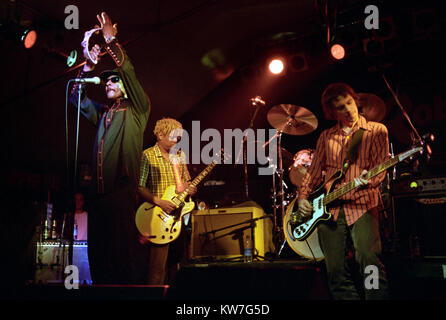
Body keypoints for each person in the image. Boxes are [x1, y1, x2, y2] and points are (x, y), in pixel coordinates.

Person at [69, 12, 150, 284]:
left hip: (121, 189)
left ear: (126, 86)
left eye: (113, 80)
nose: (108, 84)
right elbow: (76, 99)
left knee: (121, 255)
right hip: (99, 194)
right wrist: (87, 69)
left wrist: (111, 41)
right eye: (106, 81)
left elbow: (128, 69)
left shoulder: (138, 108)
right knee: (99, 255)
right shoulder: (104, 113)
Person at [297, 83, 389, 300]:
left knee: (369, 260)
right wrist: (302, 196)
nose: (348, 109)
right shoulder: (326, 137)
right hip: (330, 209)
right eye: (340, 107)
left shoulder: (376, 131)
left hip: (363, 203)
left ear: (355, 99)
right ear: (332, 112)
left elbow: (380, 169)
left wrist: (366, 180)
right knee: (335, 270)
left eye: (349, 102)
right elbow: (314, 173)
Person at [137, 118, 196, 285]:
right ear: (160, 135)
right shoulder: (147, 155)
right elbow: (140, 187)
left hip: (178, 217)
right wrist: (159, 201)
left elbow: (186, 183)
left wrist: (189, 188)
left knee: (179, 265)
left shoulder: (179, 155)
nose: (177, 139)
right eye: (173, 135)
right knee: (157, 269)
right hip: (158, 217)